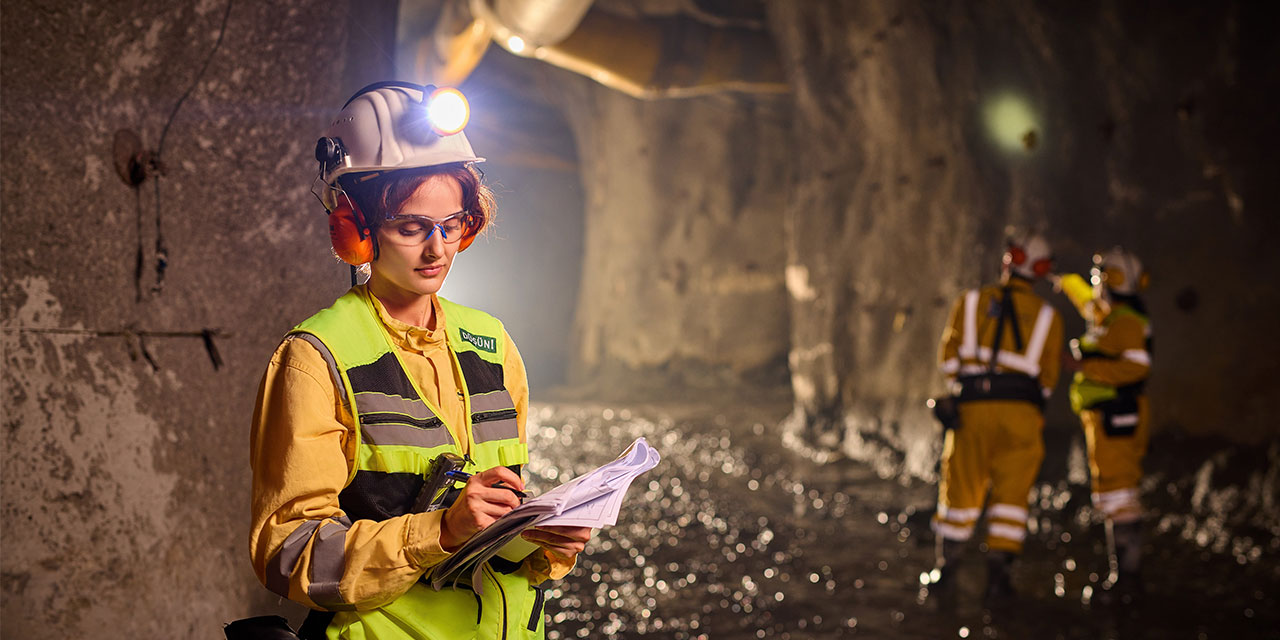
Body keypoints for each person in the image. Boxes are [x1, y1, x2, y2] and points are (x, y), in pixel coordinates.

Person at [248, 81, 591, 640]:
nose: (437, 250)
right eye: (410, 227)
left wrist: (541, 536)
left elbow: (494, 523)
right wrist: (439, 531)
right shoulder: (315, 357)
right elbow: (287, 555)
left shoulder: (492, 341)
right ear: (354, 229)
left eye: (451, 226)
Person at [929, 231, 1064, 604]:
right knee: (1011, 499)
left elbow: (949, 360)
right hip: (1022, 416)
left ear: (1009, 260)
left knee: (960, 490)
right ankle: (999, 579)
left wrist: (968, 387)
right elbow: (1048, 380)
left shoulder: (970, 302)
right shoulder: (1049, 317)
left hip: (973, 410)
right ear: (1039, 270)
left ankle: (946, 570)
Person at [1058, 246, 1152, 603]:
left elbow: (1137, 368)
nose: (1095, 283)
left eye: (1100, 275)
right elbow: (1086, 300)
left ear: (1111, 280)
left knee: (1121, 495)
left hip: (1118, 416)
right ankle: (1123, 576)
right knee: (1114, 495)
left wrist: (1083, 367)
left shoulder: (1126, 321)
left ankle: (1127, 579)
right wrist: (1065, 281)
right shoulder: (1109, 315)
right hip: (1107, 417)